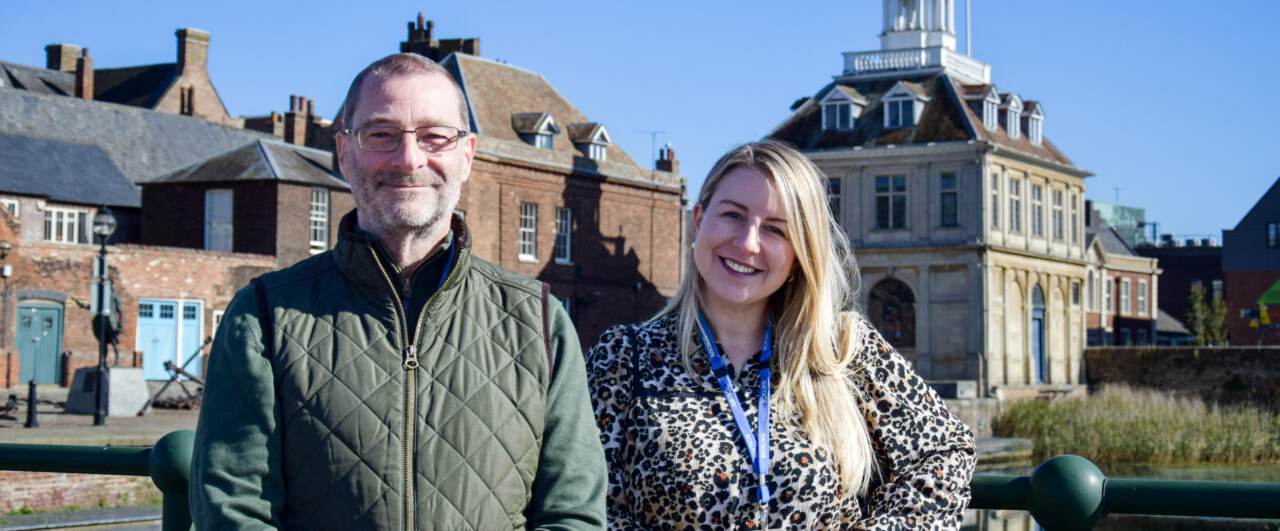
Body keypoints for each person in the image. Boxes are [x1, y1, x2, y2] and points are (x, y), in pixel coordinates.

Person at [191, 53, 606, 530]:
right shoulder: (263, 315)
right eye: (381, 135)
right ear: (344, 153)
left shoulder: (539, 320)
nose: (409, 158)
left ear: (466, 154)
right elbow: (234, 511)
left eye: (434, 136)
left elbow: (572, 516)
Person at [586, 140, 976, 529]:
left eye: (774, 230)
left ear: (798, 255)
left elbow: (945, 454)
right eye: (733, 216)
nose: (747, 243)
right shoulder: (624, 357)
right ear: (699, 220)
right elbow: (589, 505)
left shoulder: (842, 349)